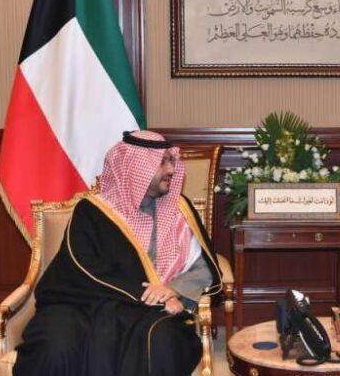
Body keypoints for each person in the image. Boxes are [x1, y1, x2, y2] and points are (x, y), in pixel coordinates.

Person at [14, 131, 222, 376]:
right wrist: (148, 296)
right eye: (162, 162)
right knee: (55, 346)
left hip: (149, 313)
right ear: (136, 168)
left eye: (171, 161)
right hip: (80, 304)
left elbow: (205, 268)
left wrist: (173, 289)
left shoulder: (179, 211)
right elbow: (82, 271)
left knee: (160, 341)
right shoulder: (93, 211)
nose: (171, 170)